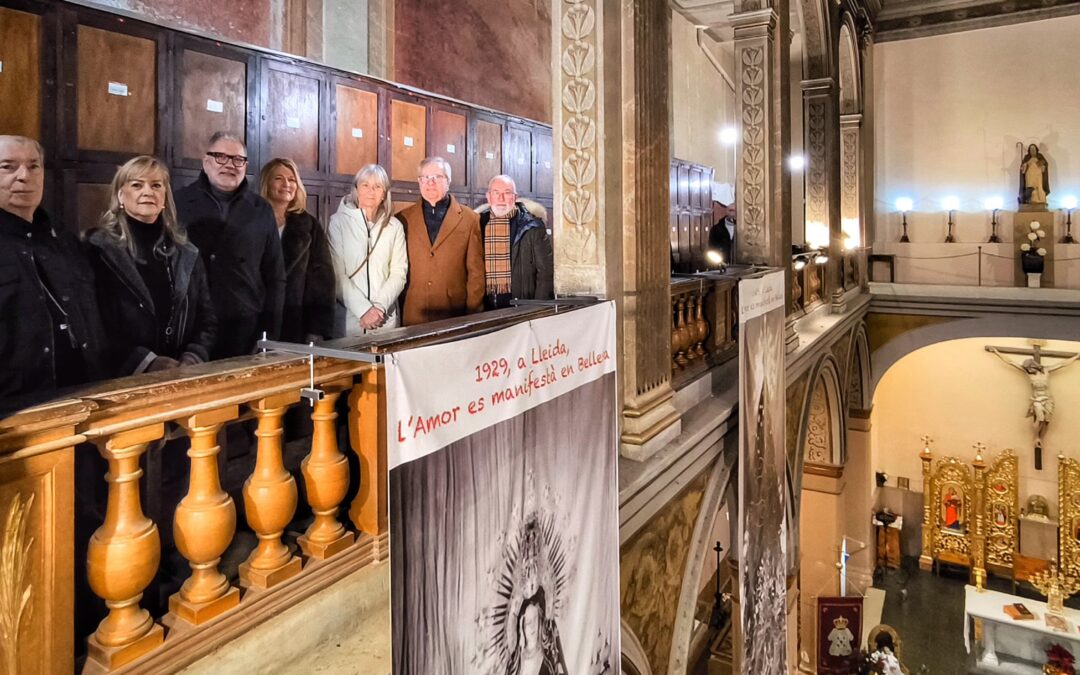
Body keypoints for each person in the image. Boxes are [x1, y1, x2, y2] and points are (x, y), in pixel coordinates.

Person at [0, 135, 108, 404]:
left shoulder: (63, 240)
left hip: (85, 393)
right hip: (18, 407)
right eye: (7, 166)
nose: (24, 176)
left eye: (34, 166)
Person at [84, 156, 217, 375]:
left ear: (165, 196)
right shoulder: (97, 249)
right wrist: (146, 362)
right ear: (120, 195)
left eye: (156, 185)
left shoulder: (186, 252)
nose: (148, 192)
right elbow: (92, 322)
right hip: (121, 377)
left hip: (181, 375)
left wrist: (194, 355)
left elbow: (207, 318)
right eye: (137, 185)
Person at [175, 131, 285, 358]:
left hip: (245, 326)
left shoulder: (261, 209)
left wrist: (269, 333)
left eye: (238, 159)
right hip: (192, 329)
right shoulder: (179, 202)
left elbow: (274, 274)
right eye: (220, 157)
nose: (230, 165)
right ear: (206, 162)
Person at [397, 156, 484, 326]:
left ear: (448, 181)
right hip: (414, 314)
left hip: (454, 314)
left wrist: (473, 315)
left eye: (437, 177)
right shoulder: (402, 218)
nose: (431, 183)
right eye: (426, 178)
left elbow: (476, 274)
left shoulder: (469, 219)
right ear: (419, 182)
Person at [259, 158, 335, 343]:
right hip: (255, 322)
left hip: (296, 324)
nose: (286, 184)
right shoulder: (251, 221)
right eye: (279, 178)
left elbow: (322, 281)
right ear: (266, 183)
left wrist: (317, 328)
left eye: (292, 180)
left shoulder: (309, 225)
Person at [327, 164, 408, 336]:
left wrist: (379, 307)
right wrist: (364, 310)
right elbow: (336, 274)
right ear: (356, 189)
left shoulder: (394, 226)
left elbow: (398, 273)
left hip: (384, 319)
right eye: (365, 185)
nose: (371, 191)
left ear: (384, 193)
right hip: (350, 320)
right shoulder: (338, 222)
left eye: (377, 186)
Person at [475, 175, 553, 310]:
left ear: (515, 197)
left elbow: (546, 273)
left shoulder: (533, 227)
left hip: (521, 305)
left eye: (507, 193)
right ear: (488, 197)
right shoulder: (476, 225)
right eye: (496, 193)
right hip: (484, 305)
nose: (501, 198)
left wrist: (538, 309)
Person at [708, 200, 736, 266]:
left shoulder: (743, 228)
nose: (733, 213)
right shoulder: (716, 229)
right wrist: (718, 262)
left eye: (735, 211)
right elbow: (712, 248)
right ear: (726, 211)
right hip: (722, 264)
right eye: (731, 210)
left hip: (740, 265)